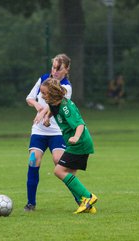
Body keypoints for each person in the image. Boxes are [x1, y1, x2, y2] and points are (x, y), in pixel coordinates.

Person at [36, 77, 97, 214]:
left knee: (58, 171)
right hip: (75, 144)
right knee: (69, 175)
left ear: (52, 93)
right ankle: (87, 206)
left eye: (44, 93)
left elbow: (80, 124)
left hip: (79, 143)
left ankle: (88, 197)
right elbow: (52, 110)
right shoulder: (54, 104)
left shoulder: (66, 107)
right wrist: (47, 118)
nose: (42, 96)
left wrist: (75, 137)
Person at [24, 54, 72, 211]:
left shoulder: (66, 87)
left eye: (59, 68)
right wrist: (38, 108)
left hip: (57, 131)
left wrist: (43, 112)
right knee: (33, 160)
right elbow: (30, 99)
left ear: (66, 70)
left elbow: (53, 105)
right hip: (39, 130)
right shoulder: (44, 79)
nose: (55, 71)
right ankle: (31, 203)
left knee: (59, 162)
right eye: (53, 67)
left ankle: (81, 196)